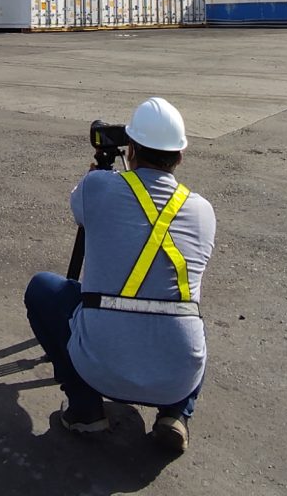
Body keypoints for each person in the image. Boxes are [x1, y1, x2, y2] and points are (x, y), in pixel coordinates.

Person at [24, 96, 216, 454]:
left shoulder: (100, 188)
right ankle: (176, 414)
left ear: (130, 148)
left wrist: (98, 173)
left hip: (100, 365)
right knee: (188, 312)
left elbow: (80, 211)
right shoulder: (203, 211)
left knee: (45, 289)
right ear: (180, 155)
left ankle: (84, 408)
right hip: (177, 376)